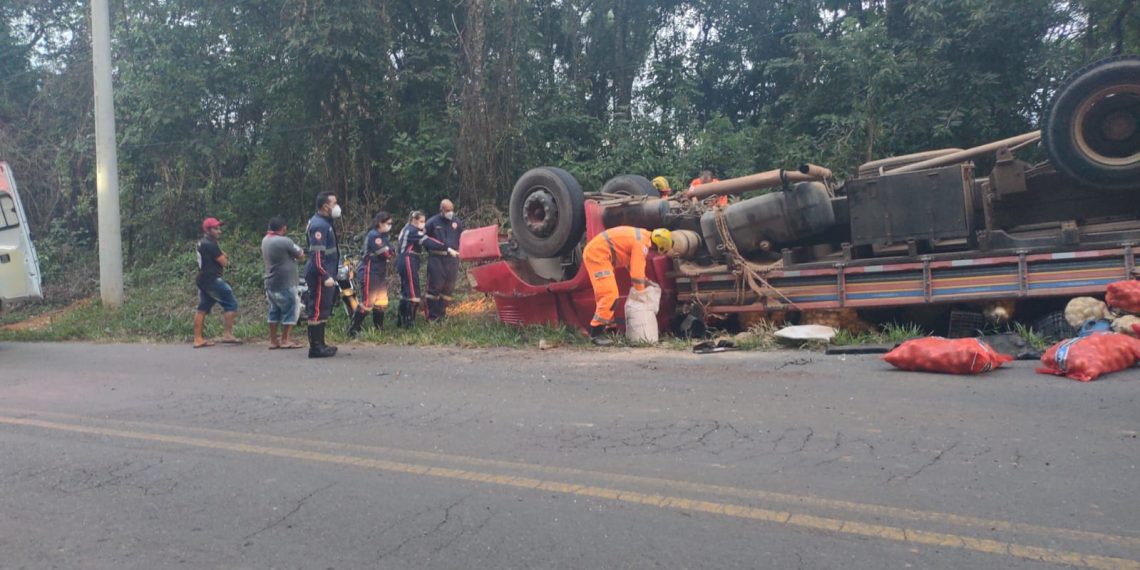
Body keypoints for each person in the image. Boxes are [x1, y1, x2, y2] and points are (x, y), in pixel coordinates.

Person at [582, 226, 673, 346]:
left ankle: (606, 330)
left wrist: (644, 281)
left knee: (606, 295)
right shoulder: (642, 244)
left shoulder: (642, 237)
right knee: (609, 296)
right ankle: (595, 334)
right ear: (659, 246)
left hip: (599, 253)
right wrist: (641, 293)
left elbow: (632, 265)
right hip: (598, 255)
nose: (652, 253)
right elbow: (636, 274)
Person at [303, 192, 342, 358]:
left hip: (326, 271)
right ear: (325, 206)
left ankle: (321, 344)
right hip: (320, 274)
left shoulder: (325, 222)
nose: (337, 206)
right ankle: (315, 348)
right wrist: (325, 275)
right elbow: (317, 255)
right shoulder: (320, 225)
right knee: (317, 308)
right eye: (334, 203)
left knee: (323, 307)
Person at [193, 217, 241, 348]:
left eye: (219, 228)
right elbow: (224, 262)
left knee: (202, 308)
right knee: (231, 304)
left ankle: (198, 339)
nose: (219, 231)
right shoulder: (210, 244)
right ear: (208, 230)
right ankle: (227, 335)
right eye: (216, 229)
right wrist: (224, 257)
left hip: (203, 279)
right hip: (212, 279)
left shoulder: (202, 243)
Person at [395, 210, 448, 327]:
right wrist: (445, 247)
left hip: (404, 259)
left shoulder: (406, 228)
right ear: (414, 220)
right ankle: (409, 323)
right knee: (413, 292)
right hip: (408, 259)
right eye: (421, 221)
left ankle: (400, 321)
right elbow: (428, 241)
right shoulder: (412, 231)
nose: (423, 223)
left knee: (405, 291)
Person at [261, 216, 305, 349]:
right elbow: (300, 255)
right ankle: (285, 340)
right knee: (291, 310)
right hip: (285, 282)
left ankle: (273, 340)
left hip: (270, 282)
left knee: (274, 311)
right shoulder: (284, 241)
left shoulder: (265, 240)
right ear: (284, 228)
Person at [349, 211, 394, 336]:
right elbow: (385, 253)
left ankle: (378, 329)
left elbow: (392, 251)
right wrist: (388, 251)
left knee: (381, 301)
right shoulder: (374, 235)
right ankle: (353, 329)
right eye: (388, 223)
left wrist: (389, 250)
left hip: (380, 272)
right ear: (380, 223)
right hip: (370, 271)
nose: (390, 226)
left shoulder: (383, 236)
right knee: (368, 302)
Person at [424, 199, 463, 321]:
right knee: (435, 288)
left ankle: (441, 314)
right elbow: (425, 240)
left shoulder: (457, 222)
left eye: (452, 210)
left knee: (448, 288)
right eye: (447, 210)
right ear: (441, 210)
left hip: (452, 260)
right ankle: (432, 316)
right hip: (437, 259)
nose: (450, 213)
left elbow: (462, 237)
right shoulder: (432, 222)